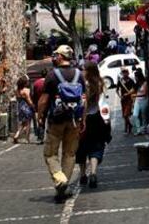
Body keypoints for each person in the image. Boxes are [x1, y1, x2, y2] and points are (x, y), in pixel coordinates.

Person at [38, 45, 86, 203]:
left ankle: (60, 179)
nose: (55, 57)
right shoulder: (79, 74)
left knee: (50, 153)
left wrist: (40, 116)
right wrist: (82, 119)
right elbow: (84, 99)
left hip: (56, 120)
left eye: (56, 55)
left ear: (60, 57)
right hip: (74, 120)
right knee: (69, 153)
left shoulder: (52, 75)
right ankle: (63, 183)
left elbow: (44, 100)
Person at [76, 63, 112, 189]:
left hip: (84, 119)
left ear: (88, 71)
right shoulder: (100, 83)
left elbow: (82, 103)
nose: (82, 71)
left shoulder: (83, 85)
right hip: (97, 118)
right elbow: (103, 102)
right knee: (96, 147)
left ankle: (82, 174)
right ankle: (93, 173)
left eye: (84, 69)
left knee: (81, 147)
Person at [12, 76, 35, 143]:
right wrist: (33, 106)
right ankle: (27, 138)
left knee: (22, 123)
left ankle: (17, 135)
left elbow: (17, 99)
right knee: (28, 123)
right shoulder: (26, 91)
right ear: (24, 83)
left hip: (20, 107)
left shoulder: (16, 91)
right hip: (26, 107)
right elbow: (29, 101)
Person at [118, 68, 136, 135]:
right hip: (123, 100)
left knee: (126, 114)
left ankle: (129, 126)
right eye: (123, 72)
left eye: (126, 72)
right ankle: (127, 127)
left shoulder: (131, 81)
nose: (124, 74)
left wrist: (128, 94)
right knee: (124, 115)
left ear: (128, 73)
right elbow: (117, 90)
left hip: (129, 99)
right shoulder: (120, 81)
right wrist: (120, 96)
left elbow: (134, 88)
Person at [131, 67, 149, 135]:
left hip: (144, 100)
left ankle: (144, 129)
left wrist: (135, 96)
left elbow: (144, 93)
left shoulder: (145, 83)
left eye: (136, 77)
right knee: (135, 115)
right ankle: (138, 129)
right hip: (137, 100)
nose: (135, 78)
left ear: (139, 77)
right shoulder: (137, 83)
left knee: (143, 116)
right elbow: (133, 90)